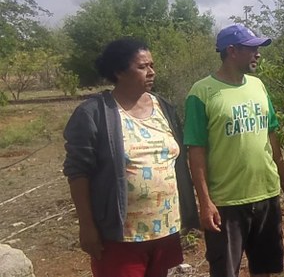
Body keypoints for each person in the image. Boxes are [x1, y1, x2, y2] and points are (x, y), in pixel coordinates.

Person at [63, 38, 199, 277]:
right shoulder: (94, 113)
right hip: (120, 236)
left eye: (152, 66)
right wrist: (87, 226)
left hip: (164, 229)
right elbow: (78, 172)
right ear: (118, 71)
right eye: (142, 66)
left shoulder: (163, 107)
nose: (151, 72)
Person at [184, 23, 284, 277]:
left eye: (258, 48)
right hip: (227, 202)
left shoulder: (258, 86)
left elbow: (271, 136)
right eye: (251, 49)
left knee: (265, 269)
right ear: (232, 51)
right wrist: (205, 203)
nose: (257, 54)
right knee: (225, 271)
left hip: (266, 194)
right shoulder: (202, 92)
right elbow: (196, 151)